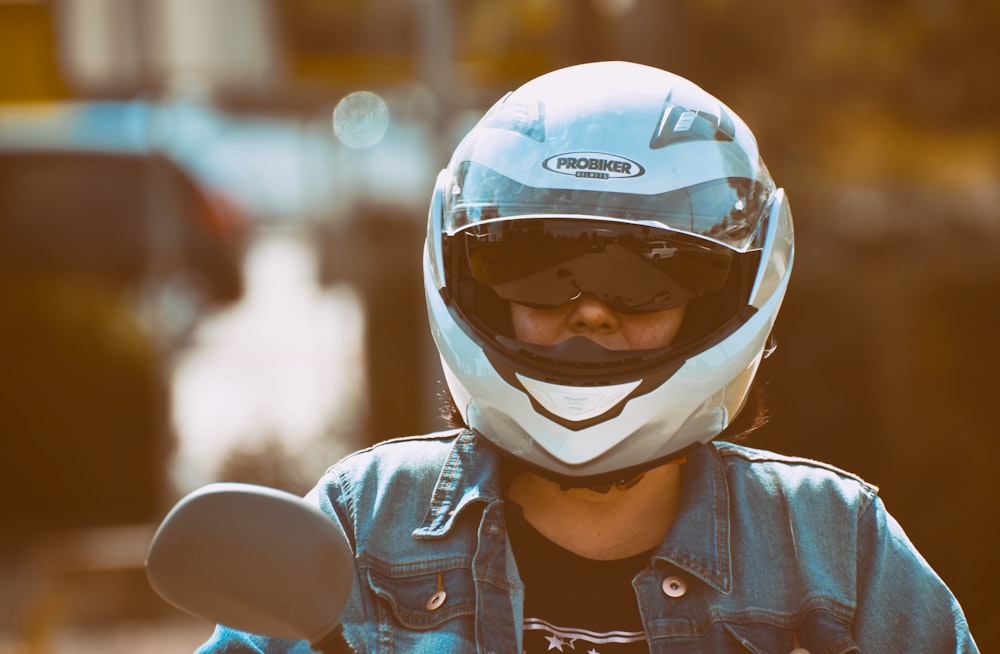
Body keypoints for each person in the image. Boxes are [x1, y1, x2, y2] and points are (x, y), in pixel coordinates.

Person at [197, 62, 977, 653]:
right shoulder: (365, 525)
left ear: (718, 297)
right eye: (540, 267)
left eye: (649, 274)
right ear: (474, 281)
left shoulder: (833, 549)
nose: (591, 310)